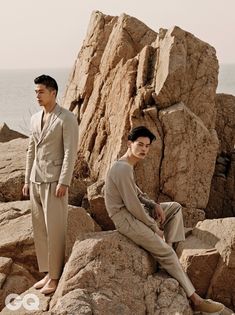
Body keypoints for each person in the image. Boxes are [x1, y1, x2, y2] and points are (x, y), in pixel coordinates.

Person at [104, 126, 224, 313]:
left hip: (134, 211)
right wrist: (154, 228)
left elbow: (137, 195)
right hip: (124, 218)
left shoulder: (127, 165)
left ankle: (166, 252)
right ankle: (196, 300)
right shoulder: (121, 169)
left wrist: (154, 204)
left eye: (147, 146)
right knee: (166, 250)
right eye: (140, 145)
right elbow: (133, 206)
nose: (144, 149)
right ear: (129, 144)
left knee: (174, 208)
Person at [22, 75, 78, 294]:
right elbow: (31, 150)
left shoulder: (67, 118)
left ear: (53, 93)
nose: (37, 95)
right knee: (40, 230)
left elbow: (69, 152)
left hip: (55, 182)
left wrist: (64, 181)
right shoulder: (35, 118)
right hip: (36, 180)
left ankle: (56, 277)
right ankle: (46, 273)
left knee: (55, 231)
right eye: (36, 92)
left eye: (41, 92)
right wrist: (27, 179)